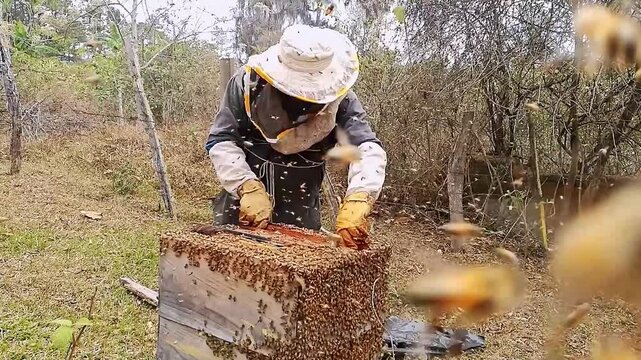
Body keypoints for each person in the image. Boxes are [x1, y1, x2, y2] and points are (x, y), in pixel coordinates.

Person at [205, 24, 386, 250]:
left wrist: (361, 194)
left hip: (301, 213)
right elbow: (222, 139)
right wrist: (246, 185)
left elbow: (366, 147)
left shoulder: (342, 100)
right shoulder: (245, 85)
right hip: (241, 209)